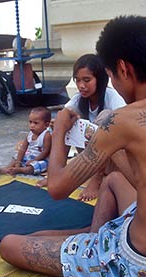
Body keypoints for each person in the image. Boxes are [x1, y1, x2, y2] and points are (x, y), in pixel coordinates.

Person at [0, 15, 146, 277]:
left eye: (111, 76)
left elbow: (57, 187)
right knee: (113, 179)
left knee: (9, 245)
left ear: (123, 69)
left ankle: (92, 248)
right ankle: (92, 238)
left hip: (137, 266)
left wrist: (63, 128)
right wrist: (103, 146)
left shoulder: (123, 119)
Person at [36, 54, 126, 200]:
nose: (81, 86)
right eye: (77, 80)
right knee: (66, 120)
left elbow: (124, 130)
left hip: (114, 160)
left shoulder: (112, 97)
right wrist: (58, 125)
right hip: (91, 159)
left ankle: (96, 180)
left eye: (87, 80)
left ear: (100, 79)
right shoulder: (79, 99)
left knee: (106, 117)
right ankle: (58, 173)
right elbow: (63, 116)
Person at [0, 106, 52, 176]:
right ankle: (6, 169)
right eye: (30, 122)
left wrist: (35, 160)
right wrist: (18, 161)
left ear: (46, 125)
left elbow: (46, 152)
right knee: (16, 157)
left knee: (35, 166)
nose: (32, 125)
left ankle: (20, 170)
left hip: (41, 159)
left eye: (36, 123)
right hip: (29, 156)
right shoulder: (30, 134)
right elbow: (23, 149)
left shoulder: (46, 135)